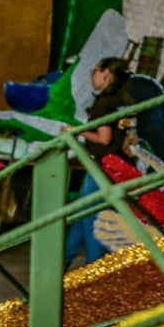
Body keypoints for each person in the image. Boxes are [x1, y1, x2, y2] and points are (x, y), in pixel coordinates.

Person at [64, 56, 134, 266]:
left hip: (100, 166)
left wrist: (75, 131)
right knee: (82, 214)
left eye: (95, 71)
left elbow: (104, 138)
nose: (92, 77)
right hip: (118, 166)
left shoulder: (104, 102)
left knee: (92, 218)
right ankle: (63, 259)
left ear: (107, 74)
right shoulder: (125, 100)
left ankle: (95, 266)